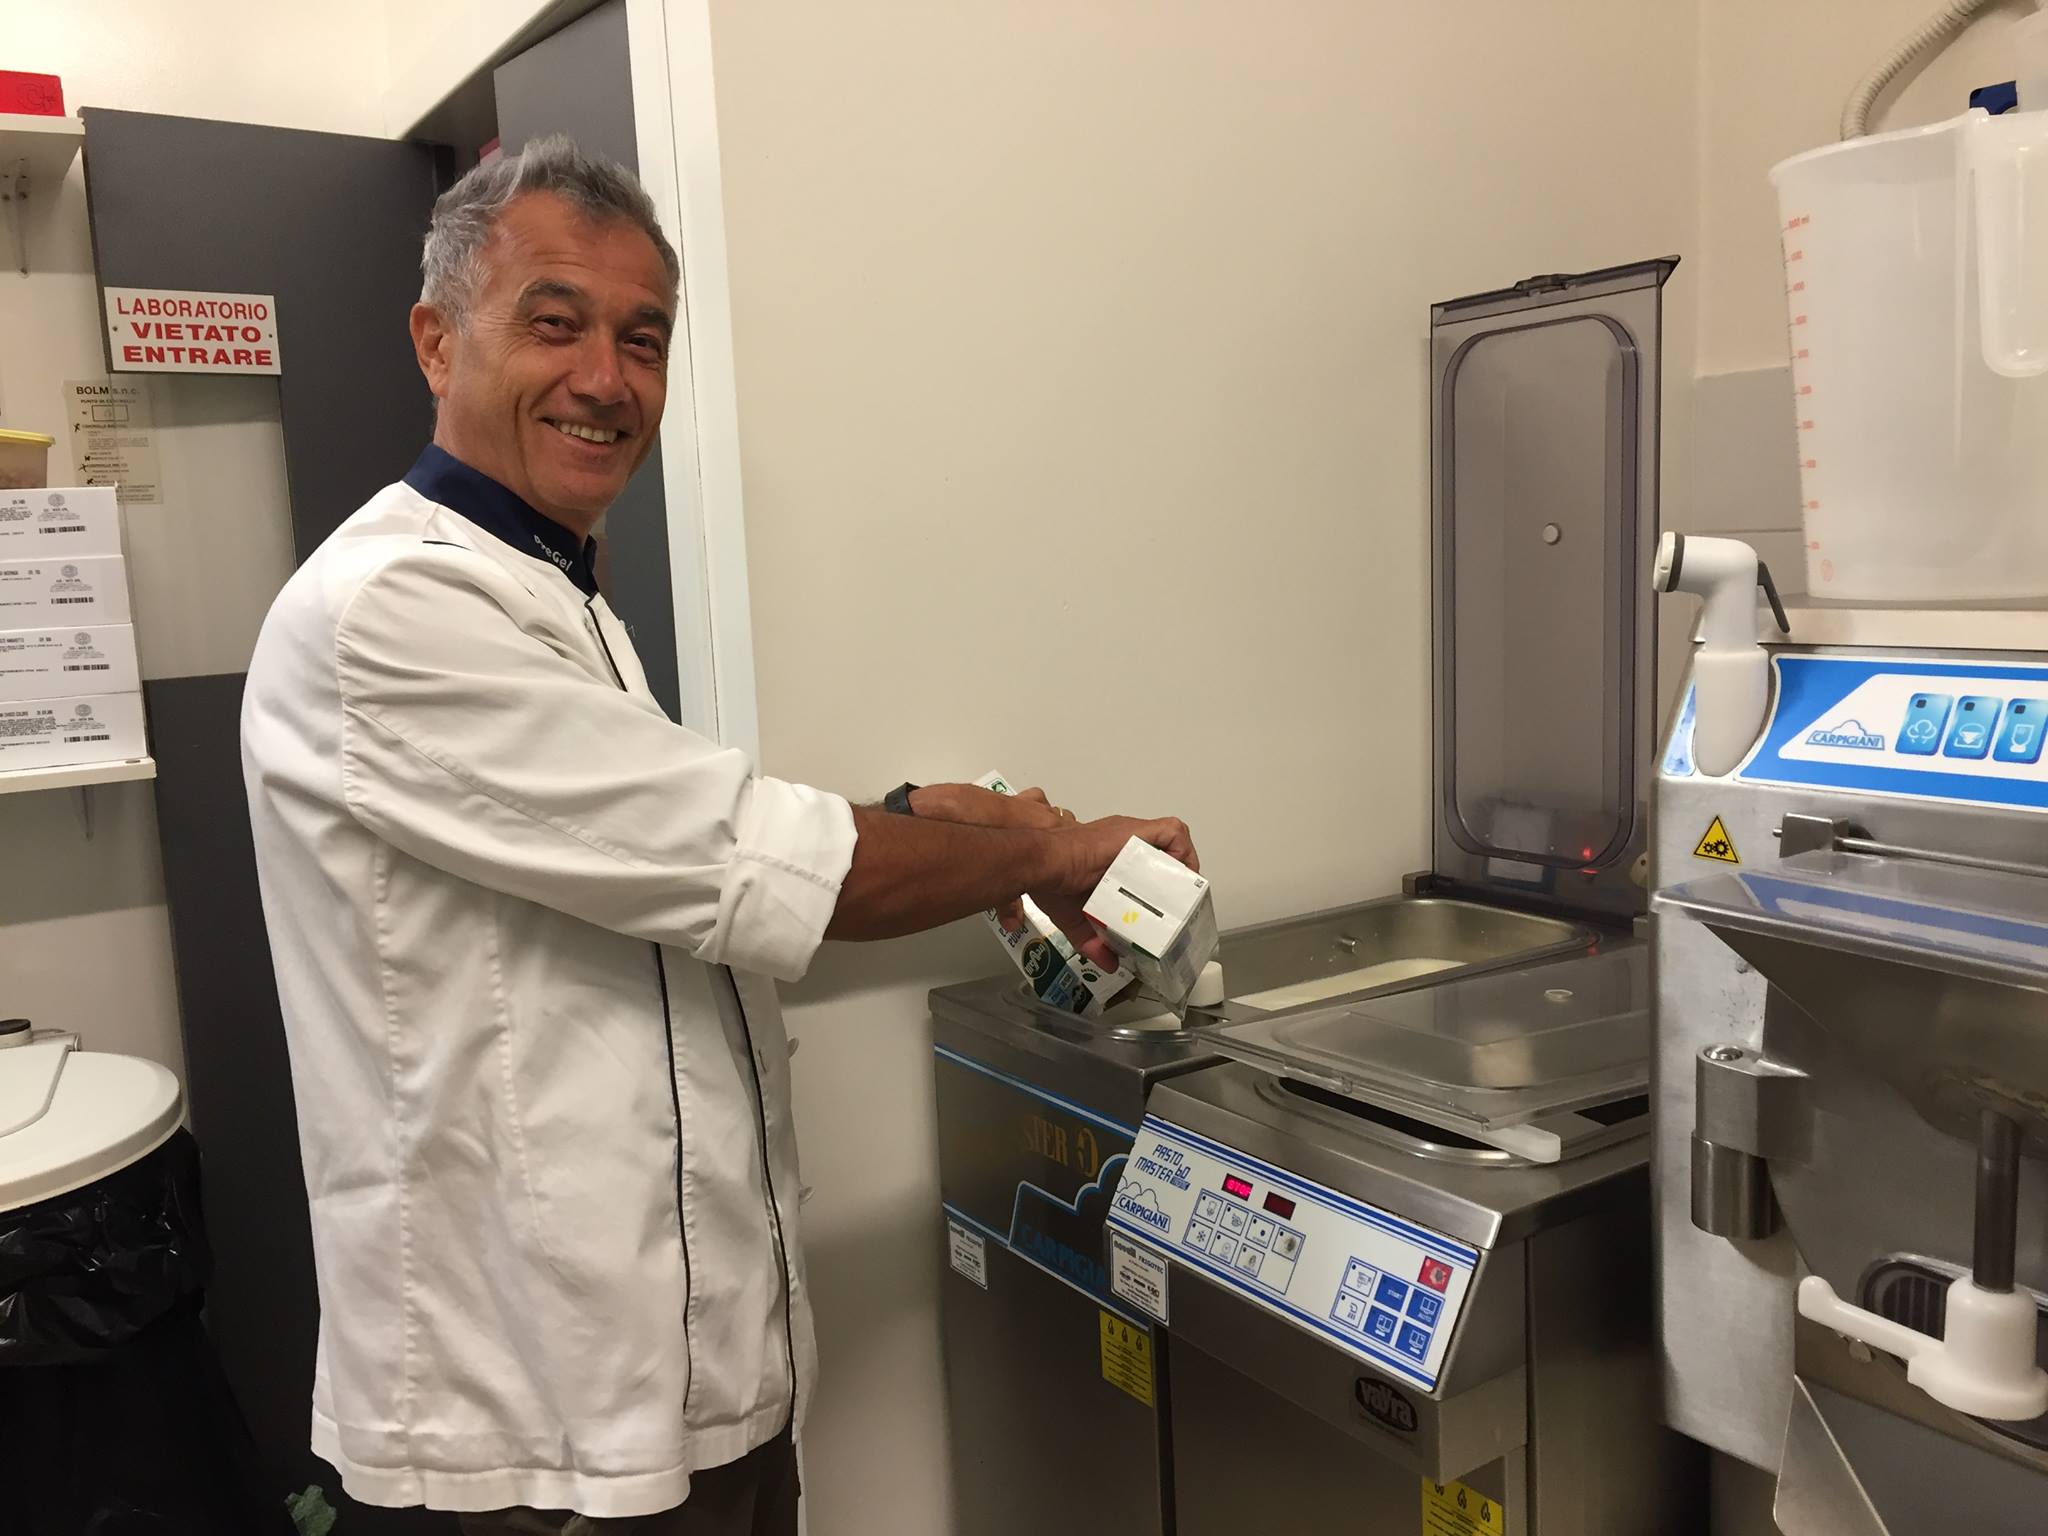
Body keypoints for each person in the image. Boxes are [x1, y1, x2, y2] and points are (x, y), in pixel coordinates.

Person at [239, 135, 1196, 1536]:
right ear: (437, 342)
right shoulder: (391, 610)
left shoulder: (554, 591)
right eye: (554, 324)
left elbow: (653, 849)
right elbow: (742, 857)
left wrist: (924, 823)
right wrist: (1053, 854)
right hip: (530, 1428)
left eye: (643, 339)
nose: (606, 379)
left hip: (673, 1376)